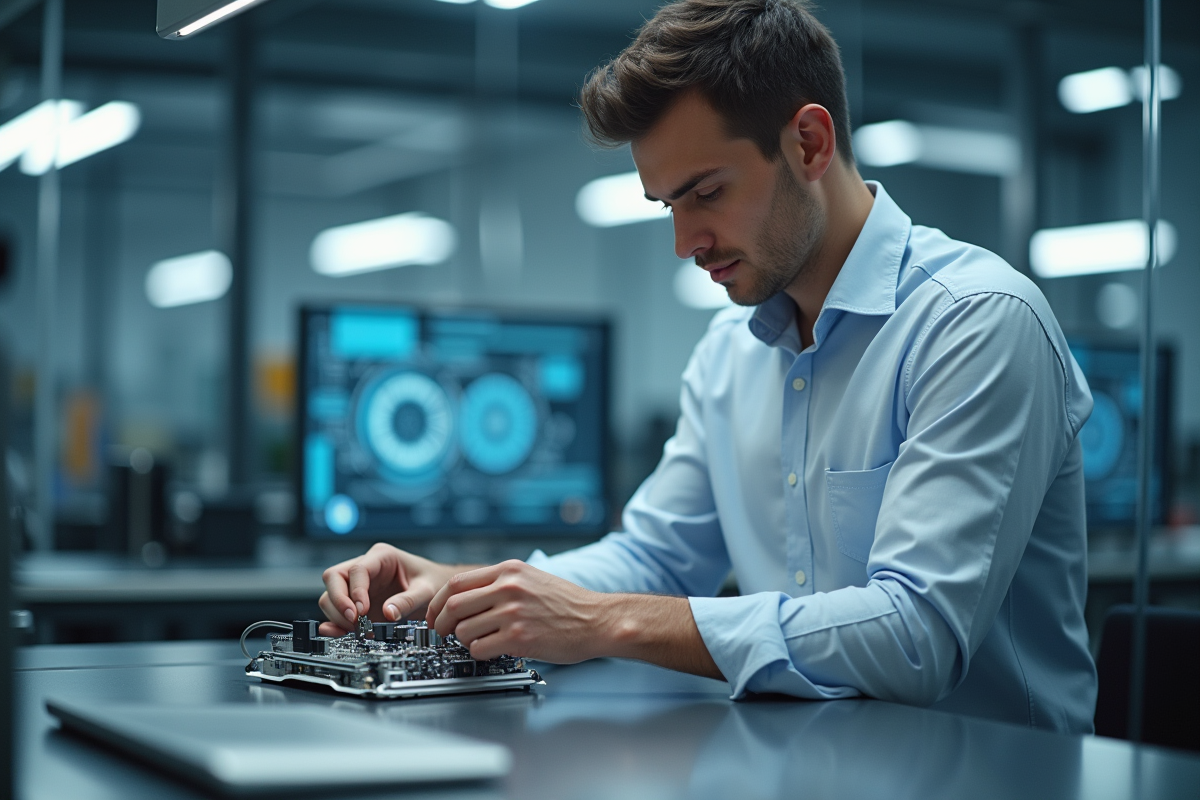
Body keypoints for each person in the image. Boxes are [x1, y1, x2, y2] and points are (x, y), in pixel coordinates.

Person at [318, 0, 1097, 733]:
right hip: (808, 763)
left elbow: (914, 635)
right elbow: (655, 558)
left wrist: (603, 622)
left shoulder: (976, 322)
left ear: (810, 144)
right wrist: (463, 588)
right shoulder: (733, 353)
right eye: (668, 205)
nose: (685, 242)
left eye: (707, 193)